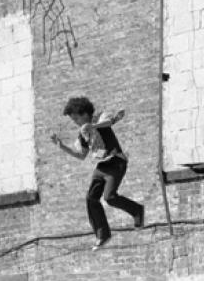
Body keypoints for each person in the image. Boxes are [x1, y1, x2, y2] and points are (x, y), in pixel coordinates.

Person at [50, 97, 145, 250]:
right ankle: (103, 234)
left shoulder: (100, 117)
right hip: (102, 166)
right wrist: (62, 146)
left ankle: (137, 211)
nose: (75, 122)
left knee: (109, 197)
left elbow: (109, 122)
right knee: (91, 198)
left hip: (116, 161)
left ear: (85, 113)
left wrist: (92, 126)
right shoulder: (83, 133)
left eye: (76, 118)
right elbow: (81, 155)